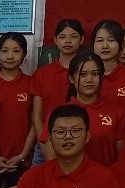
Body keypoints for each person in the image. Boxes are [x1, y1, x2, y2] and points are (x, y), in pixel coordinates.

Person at [42, 52, 125, 165]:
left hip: (107, 174)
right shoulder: (58, 114)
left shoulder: (117, 111)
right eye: (83, 74)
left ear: (102, 77)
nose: (89, 80)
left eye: (95, 74)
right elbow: (51, 161)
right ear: (71, 78)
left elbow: (122, 157)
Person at [0, 33, 36, 188]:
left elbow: (35, 124)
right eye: (4, 51)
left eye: (16, 51)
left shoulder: (31, 84)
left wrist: (22, 155)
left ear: (24, 54)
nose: (10, 56)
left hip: (22, 162)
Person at [30, 19, 85, 162]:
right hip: (46, 142)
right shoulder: (42, 74)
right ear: (55, 40)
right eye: (62, 37)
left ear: (81, 40)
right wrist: (44, 145)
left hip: (78, 142)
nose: (67, 41)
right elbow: (37, 114)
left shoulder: (87, 73)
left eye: (73, 36)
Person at [91, 19, 125, 106]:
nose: (105, 46)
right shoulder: (84, 75)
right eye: (100, 41)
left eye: (111, 40)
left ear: (121, 45)